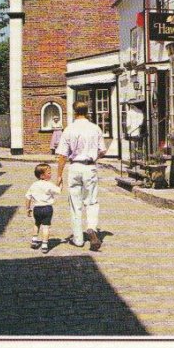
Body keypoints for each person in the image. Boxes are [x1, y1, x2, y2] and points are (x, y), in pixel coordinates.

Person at [55, 101, 107, 251]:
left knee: (75, 203)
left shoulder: (69, 129)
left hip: (75, 167)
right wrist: (94, 157)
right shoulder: (95, 128)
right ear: (87, 111)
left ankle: (78, 239)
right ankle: (91, 228)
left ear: (74, 112)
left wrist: (59, 175)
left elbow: (62, 155)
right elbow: (102, 150)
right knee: (91, 201)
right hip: (89, 167)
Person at [24, 163, 61, 254]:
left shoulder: (34, 184)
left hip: (36, 209)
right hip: (47, 209)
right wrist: (60, 182)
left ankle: (34, 240)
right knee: (46, 227)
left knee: (37, 224)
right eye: (48, 173)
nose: (50, 174)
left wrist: (28, 209)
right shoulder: (49, 184)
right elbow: (58, 191)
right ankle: (44, 245)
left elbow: (28, 197)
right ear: (42, 175)